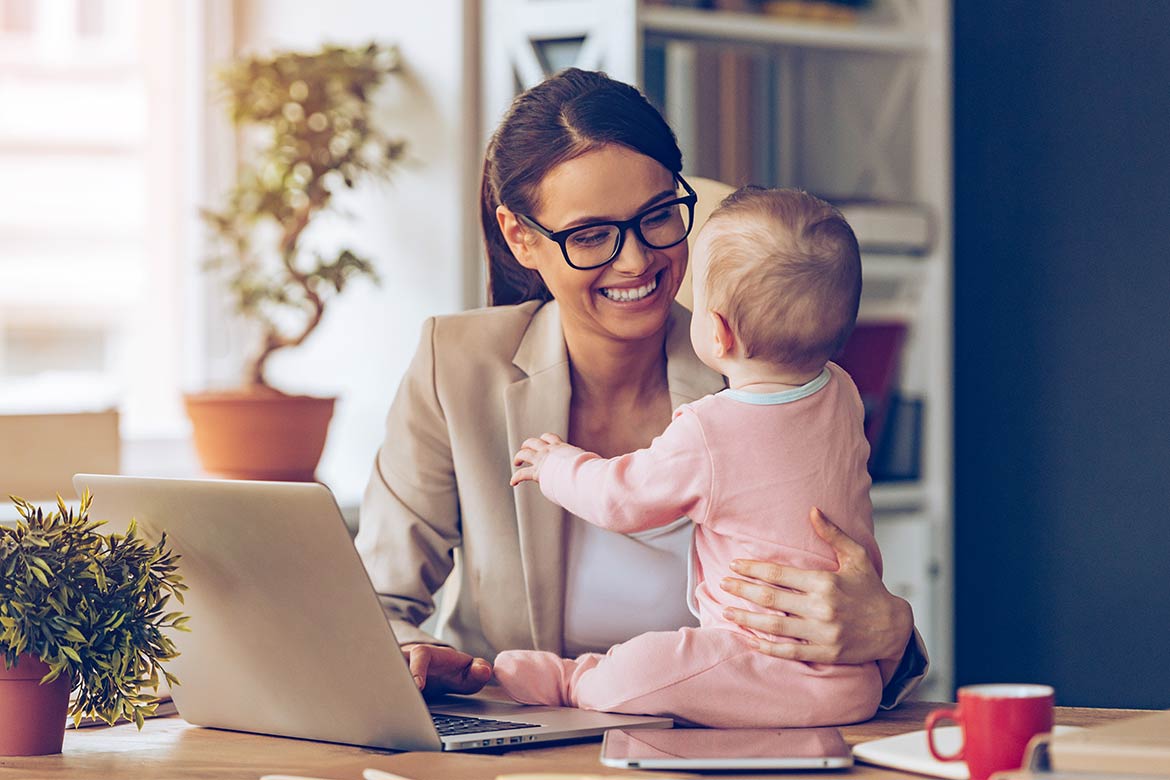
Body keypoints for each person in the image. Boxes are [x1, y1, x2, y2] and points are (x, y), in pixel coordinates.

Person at [354, 67, 927, 706]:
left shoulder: (763, 367)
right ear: (521, 238)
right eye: (591, 235)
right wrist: (413, 657)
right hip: (523, 742)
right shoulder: (455, 366)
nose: (636, 260)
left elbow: (845, 589)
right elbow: (375, 603)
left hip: (723, 741)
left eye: (657, 216)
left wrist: (891, 631)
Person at [494, 186, 881, 727]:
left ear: (717, 332)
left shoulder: (711, 429)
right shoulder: (842, 393)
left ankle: (573, 679)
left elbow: (620, 498)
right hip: (852, 680)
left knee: (651, 663)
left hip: (755, 657)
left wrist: (554, 464)